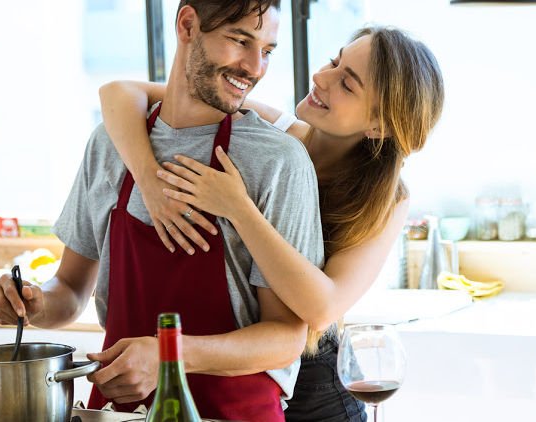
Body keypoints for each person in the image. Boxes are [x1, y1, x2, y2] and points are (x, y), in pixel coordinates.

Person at [0, 1, 325, 421]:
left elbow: (286, 336)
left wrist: (168, 355)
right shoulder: (111, 144)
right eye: (240, 41)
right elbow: (71, 291)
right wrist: (33, 304)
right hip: (119, 412)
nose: (255, 67)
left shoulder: (276, 161)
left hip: (234, 413)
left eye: (268, 51)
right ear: (187, 25)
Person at [98, 25, 445, 421]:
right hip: (238, 376)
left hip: (317, 394)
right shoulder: (268, 131)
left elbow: (322, 307)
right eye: (334, 61)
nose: (321, 77)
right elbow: (119, 94)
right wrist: (148, 179)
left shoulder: (386, 199)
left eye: (347, 84)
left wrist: (240, 209)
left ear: (379, 126)